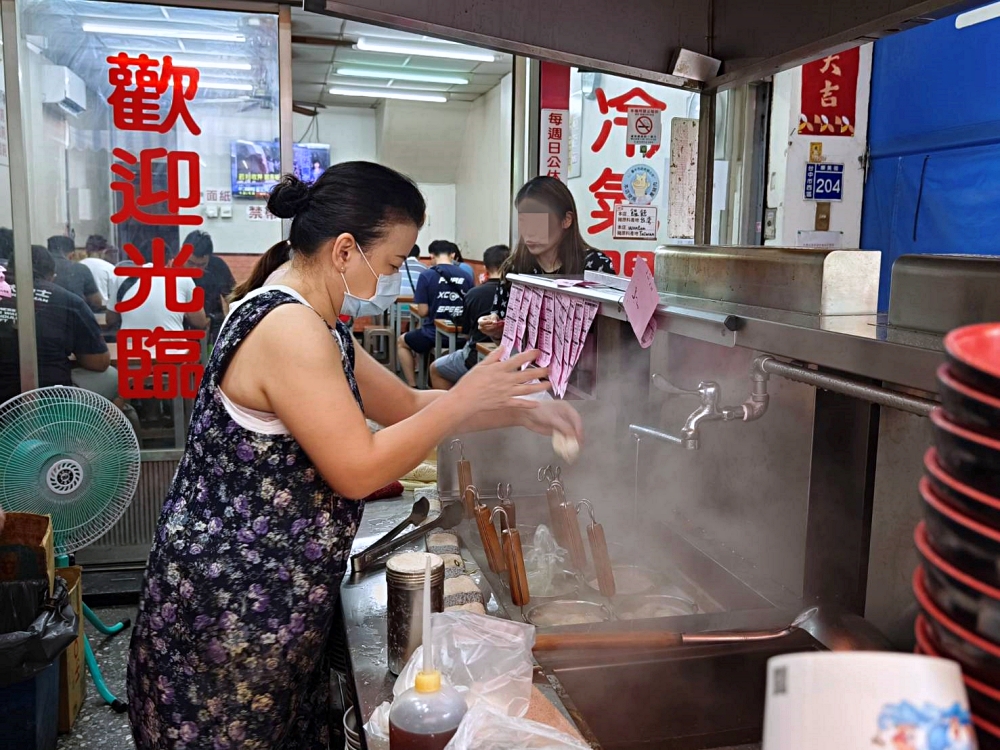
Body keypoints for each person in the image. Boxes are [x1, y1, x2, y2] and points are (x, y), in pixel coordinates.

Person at [126, 161, 581, 750]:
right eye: (392, 262)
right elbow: (358, 468)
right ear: (345, 250)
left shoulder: (317, 321)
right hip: (234, 611)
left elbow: (405, 404)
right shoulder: (287, 326)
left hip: (273, 601)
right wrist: (466, 395)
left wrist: (518, 408)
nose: (394, 276)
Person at [480, 176, 615, 339]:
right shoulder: (514, 267)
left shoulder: (595, 265)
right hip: (527, 362)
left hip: (585, 362)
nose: (529, 231)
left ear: (566, 220)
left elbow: (608, 332)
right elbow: (503, 329)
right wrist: (494, 327)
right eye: (524, 221)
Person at [0, 245, 113, 404]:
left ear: (8, 270)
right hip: (51, 397)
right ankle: (100, 423)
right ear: (52, 277)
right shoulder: (69, 301)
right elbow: (99, 362)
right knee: (112, 377)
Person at [430, 244, 509, 389]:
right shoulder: (516, 294)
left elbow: (464, 331)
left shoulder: (475, 293)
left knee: (436, 368)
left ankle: (451, 409)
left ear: (485, 267)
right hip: (509, 357)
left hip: (475, 356)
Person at [397, 240, 472, 387]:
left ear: (431, 256)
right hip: (462, 337)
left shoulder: (427, 276)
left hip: (432, 334)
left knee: (402, 342)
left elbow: (423, 312)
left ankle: (412, 385)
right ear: (453, 255)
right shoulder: (466, 276)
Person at [107, 239, 209, 336]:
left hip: (132, 350)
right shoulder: (183, 279)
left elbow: (110, 319)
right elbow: (200, 323)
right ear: (170, 262)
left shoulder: (121, 278)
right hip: (172, 351)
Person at [183, 230, 236, 344]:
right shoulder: (172, 267)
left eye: (201, 265)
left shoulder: (217, 266)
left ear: (209, 259)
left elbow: (234, 296)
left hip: (213, 323)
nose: (195, 270)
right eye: (190, 263)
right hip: (182, 325)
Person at [47, 235, 103, 311]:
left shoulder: (37, 267)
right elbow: (96, 303)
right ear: (72, 255)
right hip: (73, 318)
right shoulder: (81, 269)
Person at [79, 234, 118, 307]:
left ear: (87, 250)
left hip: (81, 310)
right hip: (103, 311)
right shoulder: (110, 268)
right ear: (104, 251)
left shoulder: (77, 266)